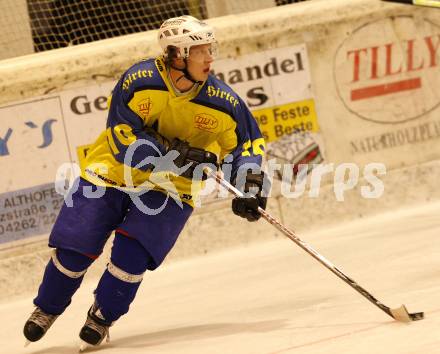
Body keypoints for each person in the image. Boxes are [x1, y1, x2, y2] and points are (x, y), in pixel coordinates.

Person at [23, 15, 268, 349]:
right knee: (74, 247)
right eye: (200, 51)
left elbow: (246, 145)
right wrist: (176, 156)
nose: (210, 57)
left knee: (133, 254)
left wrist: (249, 184)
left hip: (171, 187)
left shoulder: (223, 102)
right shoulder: (139, 81)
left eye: (211, 48)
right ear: (176, 55)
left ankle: (102, 316)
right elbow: (124, 137)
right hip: (111, 171)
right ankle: (47, 308)